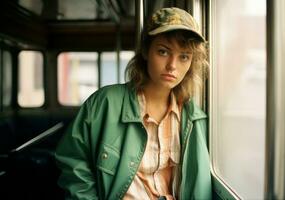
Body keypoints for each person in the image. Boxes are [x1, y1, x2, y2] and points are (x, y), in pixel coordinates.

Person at [55, 7, 211, 200]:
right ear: (146, 51)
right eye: (163, 52)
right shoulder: (105, 103)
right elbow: (74, 163)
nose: (172, 65)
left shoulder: (194, 117)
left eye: (184, 57)